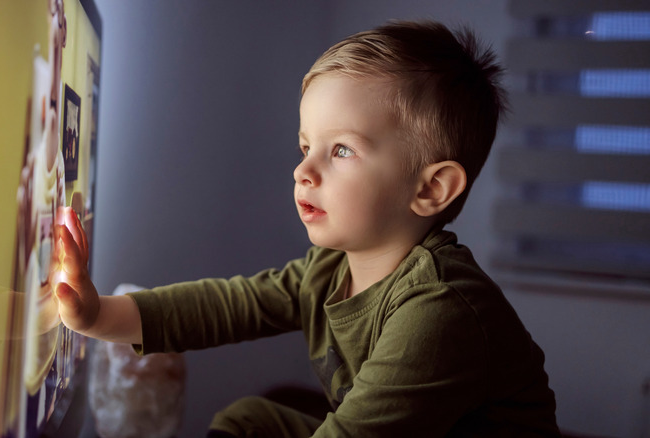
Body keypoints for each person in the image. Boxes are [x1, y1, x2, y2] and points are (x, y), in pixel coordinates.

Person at [52, 20, 560, 437]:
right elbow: (228, 306)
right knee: (251, 421)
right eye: (305, 147)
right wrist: (97, 315)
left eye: (341, 150)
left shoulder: (440, 311)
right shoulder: (330, 268)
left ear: (430, 189)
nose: (303, 171)